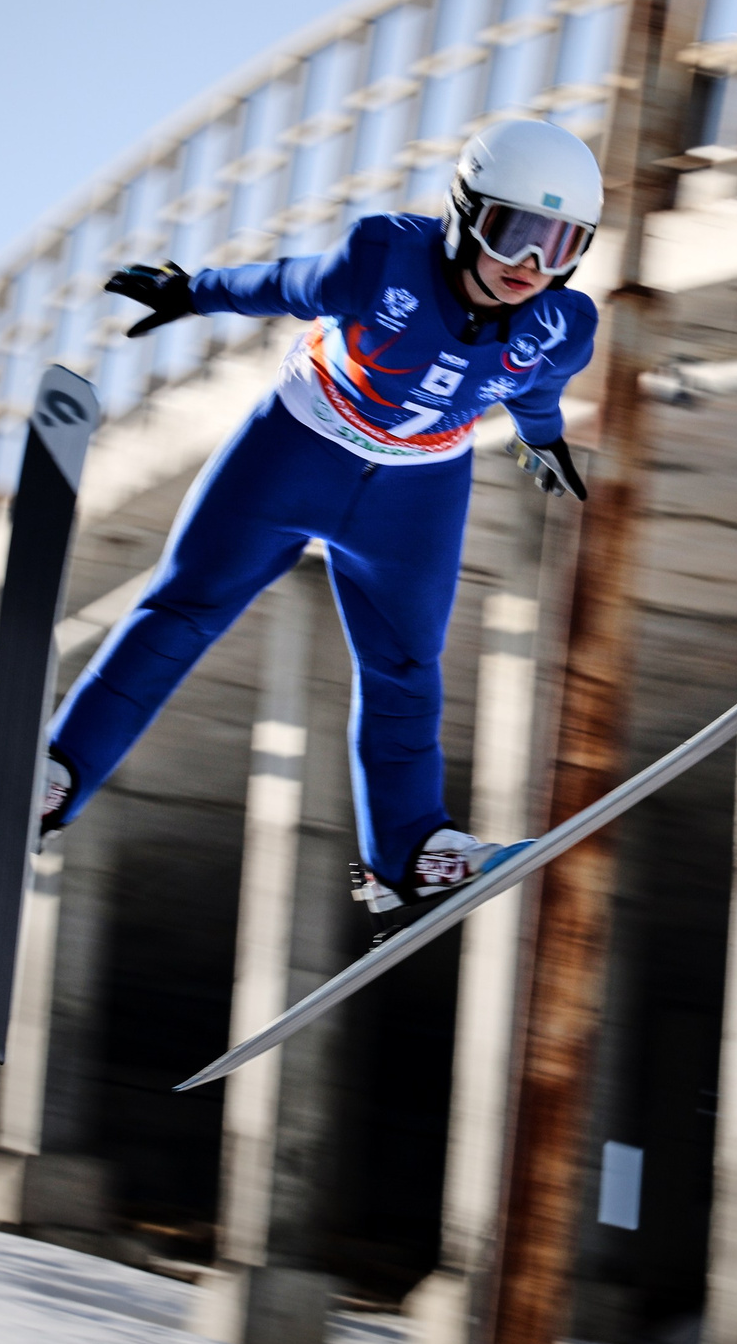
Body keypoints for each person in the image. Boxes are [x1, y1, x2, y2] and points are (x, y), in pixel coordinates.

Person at [39, 118, 603, 934]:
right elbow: (282, 282)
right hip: (298, 449)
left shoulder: (564, 325)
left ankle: (405, 859)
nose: (530, 266)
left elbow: (536, 391)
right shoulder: (384, 261)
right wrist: (191, 289)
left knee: (407, 664)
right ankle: (59, 772)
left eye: (559, 244)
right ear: (464, 211)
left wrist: (543, 441)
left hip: (413, 491)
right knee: (187, 607)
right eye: (515, 233)